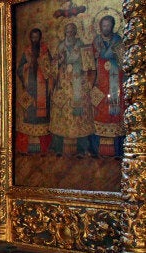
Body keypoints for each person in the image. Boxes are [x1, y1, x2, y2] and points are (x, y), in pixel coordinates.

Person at [49, 23, 94, 156]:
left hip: (78, 86)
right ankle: (58, 148)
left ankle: (82, 148)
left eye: (71, 31)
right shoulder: (60, 46)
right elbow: (53, 66)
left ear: (75, 32)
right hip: (63, 86)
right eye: (67, 31)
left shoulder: (82, 46)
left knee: (80, 117)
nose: (69, 34)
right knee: (60, 114)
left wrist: (89, 84)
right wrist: (58, 61)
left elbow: (90, 66)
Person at [91, 15, 125, 157]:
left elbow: (123, 62)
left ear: (112, 26)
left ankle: (118, 151)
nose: (106, 28)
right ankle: (96, 150)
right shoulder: (96, 41)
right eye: (103, 25)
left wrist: (104, 55)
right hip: (100, 82)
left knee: (115, 114)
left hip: (114, 83)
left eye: (108, 25)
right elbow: (89, 63)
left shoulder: (118, 41)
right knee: (99, 113)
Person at [16, 28, 53, 154]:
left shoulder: (45, 50)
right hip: (30, 88)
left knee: (42, 117)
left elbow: (51, 69)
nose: (35, 39)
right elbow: (19, 69)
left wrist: (42, 64)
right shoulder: (27, 51)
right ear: (30, 38)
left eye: (37, 37)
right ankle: (26, 147)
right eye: (33, 37)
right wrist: (28, 65)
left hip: (42, 88)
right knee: (29, 114)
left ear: (40, 38)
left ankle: (44, 148)